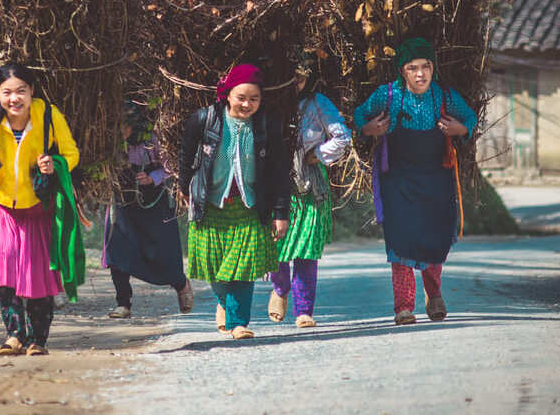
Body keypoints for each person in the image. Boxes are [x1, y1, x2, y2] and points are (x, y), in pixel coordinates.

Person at [353, 38, 477, 325]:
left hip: (436, 180)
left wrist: (460, 129)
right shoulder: (388, 96)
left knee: (434, 238)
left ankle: (434, 294)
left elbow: (470, 117)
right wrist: (368, 128)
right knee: (400, 241)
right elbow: (359, 115)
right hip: (397, 181)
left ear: (433, 68)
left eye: (426, 67)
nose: (420, 74)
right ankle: (404, 307)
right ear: (402, 71)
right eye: (412, 68)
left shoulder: (443, 96)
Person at [0, 63, 81, 355]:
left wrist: (54, 165)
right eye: (7, 92)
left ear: (32, 92)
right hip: (1, 208)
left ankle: (37, 340)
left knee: (37, 277)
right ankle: (14, 335)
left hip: (37, 208)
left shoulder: (49, 117)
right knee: (5, 275)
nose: (14, 98)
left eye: (21, 91)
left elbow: (71, 153)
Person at [179, 63, 291, 339]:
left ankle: (239, 323)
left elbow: (279, 171)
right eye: (241, 97)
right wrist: (184, 189)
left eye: (254, 98)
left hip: (249, 206)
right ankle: (225, 305)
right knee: (215, 269)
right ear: (227, 94)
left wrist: (281, 213)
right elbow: (186, 157)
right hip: (211, 206)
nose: (247, 104)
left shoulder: (266, 126)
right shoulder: (204, 120)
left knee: (243, 268)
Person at [268, 70, 352, 328]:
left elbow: (342, 137)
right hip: (274, 182)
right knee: (274, 245)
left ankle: (303, 310)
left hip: (309, 187)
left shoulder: (318, 104)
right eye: (290, 74)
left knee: (306, 250)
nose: (294, 82)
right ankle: (280, 287)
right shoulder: (268, 100)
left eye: (301, 77)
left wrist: (319, 153)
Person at [103, 103, 194, 319]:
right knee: (118, 250)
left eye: (125, 126)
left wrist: (152, 178)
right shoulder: (111, 143)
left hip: (153, 202)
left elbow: (170, 167)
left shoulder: (152, 140)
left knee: (162, 251)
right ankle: (123, 303)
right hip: (123, 200)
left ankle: (181, 284)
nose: (121, 131)